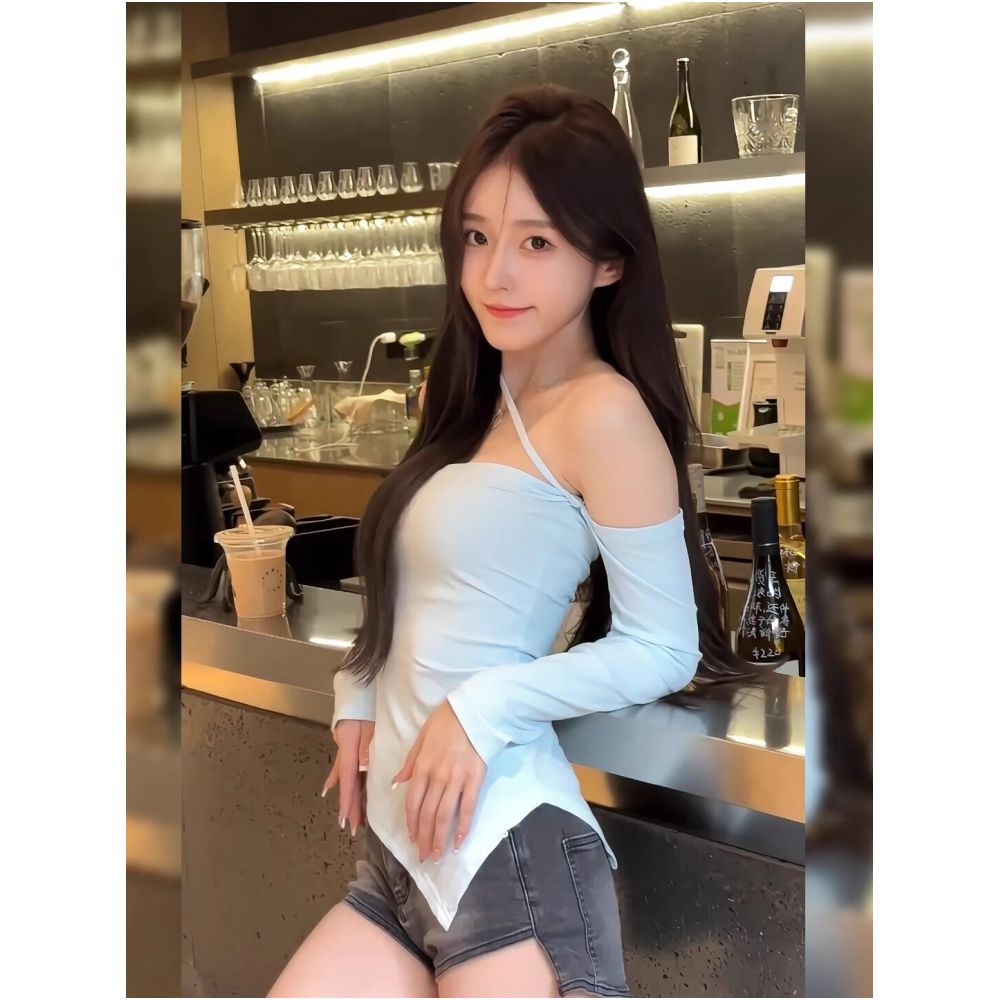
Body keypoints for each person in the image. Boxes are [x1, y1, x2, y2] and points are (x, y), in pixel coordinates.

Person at [268, 84, 764, 999]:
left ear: (608, 261)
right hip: (400, 859)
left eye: (537, 243)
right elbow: (426, 594)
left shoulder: (603, 414)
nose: (495, 274)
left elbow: (663, 647)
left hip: (510, 860)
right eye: (477, 236)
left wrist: (481, 707)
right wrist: (357, 686)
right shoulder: (465, 398)